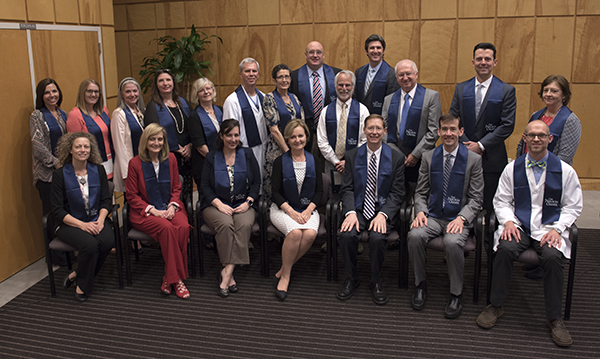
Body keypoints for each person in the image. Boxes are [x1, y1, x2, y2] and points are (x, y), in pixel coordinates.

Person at [476, 120, 582, 347]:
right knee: (505, 249)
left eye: (541, 135)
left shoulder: (565, 171)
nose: (536, 139)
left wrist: (558, 228)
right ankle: (496, 305)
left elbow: (573, 206)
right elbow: (501, 200)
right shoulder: (511, 168)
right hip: (520, 226)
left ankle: (554, 318)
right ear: (524, 138)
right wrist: (508, 222)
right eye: (532, 135)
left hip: (549, 229)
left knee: (553, 258)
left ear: (549, 139)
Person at [407, 114, 484, 319]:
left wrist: (462, 218)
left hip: (457, 217)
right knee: (414, 235)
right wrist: (421, 211)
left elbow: (477, 198)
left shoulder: (473, 160)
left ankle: (456, 293)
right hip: (432, 215)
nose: (448, 133)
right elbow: (421, 192)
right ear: (438, 132)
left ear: (460, 132)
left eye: (453, 129)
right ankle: (420, 285)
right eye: (444, 129)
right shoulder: (429, 157)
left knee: (452, 242)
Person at [449, 42, 516, 250]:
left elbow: (507, 125)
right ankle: (462, 242)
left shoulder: (506, 90)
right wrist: (466, 142)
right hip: (463, 156)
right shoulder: (462, 88)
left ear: (495, 62)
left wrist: (480, 145)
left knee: (490, 206)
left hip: (492, 160)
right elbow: (453, 119)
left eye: (488, 59)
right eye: (479, 59)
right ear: (473, 62)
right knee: (463, 201)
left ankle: (489, 249)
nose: (483, 63)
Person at [337, 114, 405, 305]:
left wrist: (383, 214)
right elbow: (347, 188)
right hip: (358, 207)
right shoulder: (351, 155)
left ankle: (376, 280)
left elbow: (398, 192)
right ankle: (351, 277)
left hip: (382, 208)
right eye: (370, 128)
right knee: (347, 234)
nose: (374, 132)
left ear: (385, 131)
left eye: (378, 129)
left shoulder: (396, 157)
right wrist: (349, 212)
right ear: (364, 131)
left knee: (377, 237)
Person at [125, 123, 191, 299]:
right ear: (145, 141)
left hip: (169, 207)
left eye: (160, 139)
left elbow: (177, 187)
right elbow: (131, 195)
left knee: (183, 227)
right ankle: (177, 280)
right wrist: (154, 211)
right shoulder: (135, 163)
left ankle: (168, 278)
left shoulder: (170, 159)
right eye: (152, 139)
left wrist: (171, 206)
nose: (156, 143)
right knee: (167, 229)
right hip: (144, 213)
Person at [51, 132, 115, 302]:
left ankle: (77, 273)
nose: (82, 150)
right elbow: (57, 210)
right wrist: (82, 225)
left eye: (86, 146)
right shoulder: (59, 175)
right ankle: (82, 286)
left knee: (108, 240)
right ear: (70, 150)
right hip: (68, 223)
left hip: (96, 219)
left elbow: (105, 201)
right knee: (90, 244)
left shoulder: (98, 170)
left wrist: (100, 221)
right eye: (78, 146)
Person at [200, 119, 261, 298]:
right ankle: (230, 275)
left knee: (243, 225)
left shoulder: (247, 154)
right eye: (229, 135)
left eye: (236, 135)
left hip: (243, 204)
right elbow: (204, 185)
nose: (233, 139)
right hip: (215, 205)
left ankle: (227, 272)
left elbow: (257, 182)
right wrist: (218, 203)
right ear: (222, 136)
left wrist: (248, 202)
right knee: (226, 225)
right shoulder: (212, 156)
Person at [270, 119, 323, 300]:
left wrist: (308, 211)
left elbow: (319, 191)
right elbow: (275, 192)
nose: (297, 140)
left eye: (300, 136)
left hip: (308, 207)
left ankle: (285, 267)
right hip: (282, 207)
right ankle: (286, 276)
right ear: (287, 139)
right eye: (293, 137)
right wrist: (291, 212)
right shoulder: (279, 162)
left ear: (306, 137)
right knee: (294, 233)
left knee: (308, 234)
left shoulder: (314, 160)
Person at [382, 59, 441, 200]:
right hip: (396, 158)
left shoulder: (431, 97)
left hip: (422, 158)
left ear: (416, 74)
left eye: (409, 73)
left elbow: (434, 130)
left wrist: (415, 154)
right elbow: (384, 130)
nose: (405, 78)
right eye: (401, 75)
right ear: (396, 78)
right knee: (396, 197)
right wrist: (398, 154)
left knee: (420, 198)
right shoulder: (388, 100)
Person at [144, 69, 193, 202]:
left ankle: (188, 218)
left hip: (187, 155)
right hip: (166, 156)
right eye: (161, 80)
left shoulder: (183, 103)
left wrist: (190, 145)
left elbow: (194, 126)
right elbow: (152, 134)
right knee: (173, 191)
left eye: (168, 80)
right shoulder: (153, 107)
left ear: (173, 82)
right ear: (156, 84)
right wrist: (174, 147)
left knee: (188, 192)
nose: (165, 83)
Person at [262, 64, 304, 202]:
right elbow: (273, 129)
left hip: (296, 147)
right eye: (280, 77)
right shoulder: (269, 99)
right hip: (278, 150)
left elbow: (301, 123)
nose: (284, 80)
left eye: (287, 76)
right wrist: (287, 151)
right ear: (274, 80)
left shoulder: (294, 98)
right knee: (276, 184)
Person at [516, 75, 581, 166]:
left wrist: (545, 171)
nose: (548, 94)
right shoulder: (536, 115)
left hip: (552, 172)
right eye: (546, 90)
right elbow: (523, 144)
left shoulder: (571, 120)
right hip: (527, 167)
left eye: (554, 91)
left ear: (564, 95)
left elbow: (565, 155)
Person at [30, 79, 68, 231]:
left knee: (66, 214)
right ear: (41, 95)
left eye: (54, 91)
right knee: (53, 217)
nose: (52, 95)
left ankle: (70, 254)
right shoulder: (37, 116)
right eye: (47, 92)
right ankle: (55, 255)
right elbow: (38, 146)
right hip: (47, 176)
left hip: (64, 173)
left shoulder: (62, 114)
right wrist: (56, 162)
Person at [290, 41, 341, 152]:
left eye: (318, 52)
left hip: (331, 130)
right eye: (311, 52)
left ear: (324, 55)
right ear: (305, 55)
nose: (315, 55)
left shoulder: (337, 74)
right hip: (304, 133)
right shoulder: (294, 77)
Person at [316, 70, 368, 177]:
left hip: (356, 163)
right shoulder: (325, 111)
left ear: (353, 87)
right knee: (331, 192)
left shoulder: (363, 111)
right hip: (332, 163)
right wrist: (336, 161)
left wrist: (349, 161)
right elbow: (322, 141)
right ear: (335, 86)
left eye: (347, 85)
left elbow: (366, 139)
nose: (344, 88)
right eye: (340, 85)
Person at [223, 58, 267, 180]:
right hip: (243, 151)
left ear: (258, 74)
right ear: (240, 74)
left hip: (263, 149)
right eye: (247, 71)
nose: (251, 74)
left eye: (254, 71)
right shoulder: (232, 101)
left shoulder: (263, 97)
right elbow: (229, 132)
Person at [67, 79, 114, 180]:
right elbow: (75, 146)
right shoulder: (75, 115)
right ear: (82, 93)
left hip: (109, 161)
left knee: (109, 192)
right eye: (89, 91)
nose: (93, 94)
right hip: (90, 165)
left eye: (96, 91)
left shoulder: (103, 110)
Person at [111, 77, 145, 193]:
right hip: (130, 167)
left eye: (135, 91)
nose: (132, 94)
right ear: (122, 94)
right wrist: (127, 173)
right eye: (128, 91)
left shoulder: (141, 112)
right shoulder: (119, 114)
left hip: (144, 163)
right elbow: (119, 146)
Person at [188, 77, 223, 187]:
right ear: (196, 94)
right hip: (205, 163)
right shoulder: (194, 116)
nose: (206, 92)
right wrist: (216, 163)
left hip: (223, 159)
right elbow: (200, 146)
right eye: (201, 90)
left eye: (208, 88)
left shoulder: (221, 110)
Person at [354, 34, 399, 115]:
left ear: (383, 51)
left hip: (380, 121)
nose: (375, 51)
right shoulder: (359, 72)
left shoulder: (391, 74)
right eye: (372, 48)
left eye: (378, 48)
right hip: (361, 120)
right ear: (366, 51)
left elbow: (392, 103)